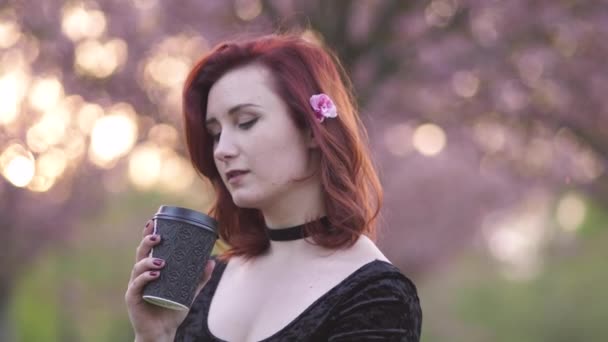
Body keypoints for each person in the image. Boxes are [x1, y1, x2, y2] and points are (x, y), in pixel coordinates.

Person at [125, 34, 422, 342]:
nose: (222, 149)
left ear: (311, 129)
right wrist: (155, 335)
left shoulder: (376, 296)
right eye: (215, 133)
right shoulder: (207, 280)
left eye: (246, 122)